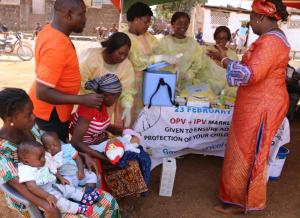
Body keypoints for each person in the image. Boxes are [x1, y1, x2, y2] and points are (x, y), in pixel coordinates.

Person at [207, 0, 290, 214]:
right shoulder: (269, 39)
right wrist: (223, 58)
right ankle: (235, 197)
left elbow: (248, 75)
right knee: (241, 151)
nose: (250, 21)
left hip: (262, 106)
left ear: (261, 18)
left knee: (250, 153)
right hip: (255, 104)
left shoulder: (271, 42)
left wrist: (225, 60)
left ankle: (243, 202)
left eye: (252, 17)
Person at [0, 88, 119, 218]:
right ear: (9, 119)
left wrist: (82, 155)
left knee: (108, 201)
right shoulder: (3, 149)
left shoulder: (30, 128)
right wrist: (47, 206)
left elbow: (53, 146)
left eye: (32, 111)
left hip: (56, 183)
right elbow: (19, 186)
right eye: (28, 114)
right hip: (37, 199)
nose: (34, 116)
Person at [29, 0, 103, 143]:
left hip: (54, 112)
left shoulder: (50, 31)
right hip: (49, 115)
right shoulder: (56, 44)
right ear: (68, 15)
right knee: (55, 159)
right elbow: (43, 92)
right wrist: (82, 100)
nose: (85, 19)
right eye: (81, 15)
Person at [124, 2, 178, 123]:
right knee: (127, 120)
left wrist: (170, 57)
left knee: (142, 120)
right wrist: (160, 58)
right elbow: (136, 61)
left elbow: (159, 50)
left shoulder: (148, 36)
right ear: (136, 20)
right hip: (128, 88)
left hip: (147, 84)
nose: (148, 25)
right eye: (146, 21)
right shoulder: (124, 37)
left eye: (149, 22)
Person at [17, 141, 103, 216]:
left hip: (54, 185)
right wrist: (47, 196)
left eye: (43, 155)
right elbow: (31, 186)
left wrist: (60, 178)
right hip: (44, 192)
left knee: (69, 189)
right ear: (26, 161)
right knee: (60, 203)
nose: (44, 159)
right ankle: (79, 209)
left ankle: (85, 198)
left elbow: (53, 169)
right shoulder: (25, 169)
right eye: (40, 158)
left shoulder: (40, 161)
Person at [79, 32, 135, 128]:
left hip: (107, 109)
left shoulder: (126, 65)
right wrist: (98, 96)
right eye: (120, 53)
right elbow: (80, 81)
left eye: (125, 55)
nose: (122, 57)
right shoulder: (91, 56)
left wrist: (127, 107)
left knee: (101, 131)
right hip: (84, 105)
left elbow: (127, 90)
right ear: (111, 48)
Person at [155, 12, 205, 93]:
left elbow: (197, 65)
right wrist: (171, 75)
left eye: (186, 23)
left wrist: (187, 75)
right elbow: (158, 63)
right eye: (179, 23)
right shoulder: (164, 42)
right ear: (173, 24)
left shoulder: (193, 44)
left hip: (187, 87)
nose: (183, 26)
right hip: (165, 84)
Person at [201, 26, 238, 98]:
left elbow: (234, 76)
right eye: (218, 37)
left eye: (224, 38)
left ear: (228, 39)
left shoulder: (233, 56)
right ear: (214, 38)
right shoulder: (206, 51)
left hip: (226, 91)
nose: (221, 40)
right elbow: (199, 70)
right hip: (207, 89)